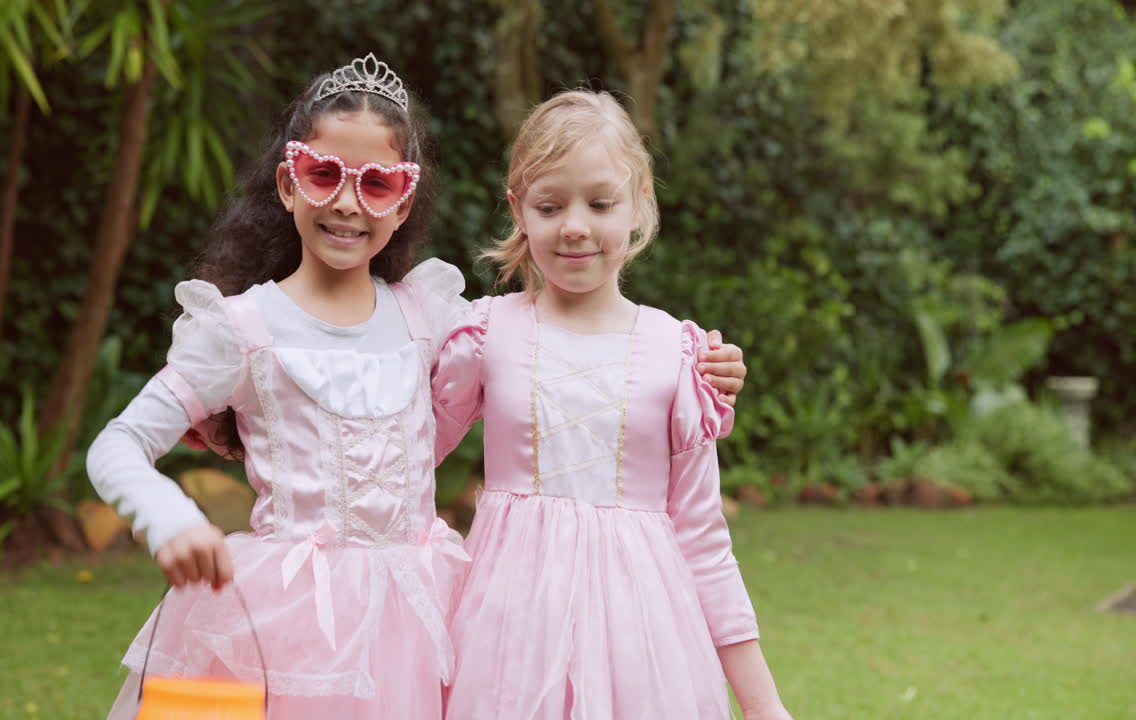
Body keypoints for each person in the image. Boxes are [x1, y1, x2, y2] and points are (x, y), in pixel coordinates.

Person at [87, 53, 471, 719]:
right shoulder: (241, 331)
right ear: (289, 185)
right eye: (324, 175)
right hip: (288, 625)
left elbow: (531, 357)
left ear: (404, 202)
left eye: (376, 184)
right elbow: (117, 444)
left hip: (422, 618)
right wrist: (171, 518)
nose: (347, 203)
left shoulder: (427, 316)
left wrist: (682, 357)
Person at [433, 90, 791, 720]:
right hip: (507, 643)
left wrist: (764, 707)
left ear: (639, 204)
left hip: (644, 647)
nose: (575, 225)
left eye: (600, 203)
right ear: (519, 208)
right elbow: (402, 455)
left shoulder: (678, 356)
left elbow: (704, 538)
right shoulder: (486, 335)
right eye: (550, 205)